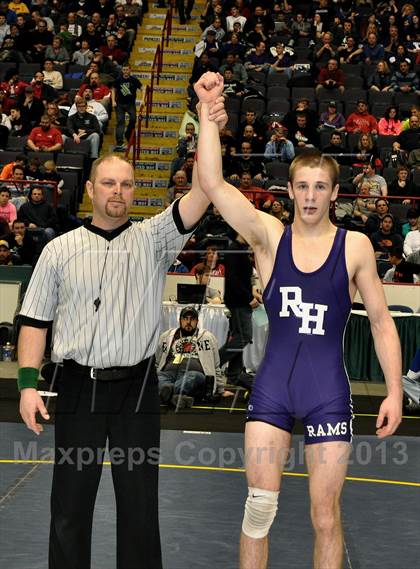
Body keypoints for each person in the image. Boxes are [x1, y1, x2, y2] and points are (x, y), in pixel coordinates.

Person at [194, 71, 402, 569]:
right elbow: (213, 183)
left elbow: (380, 320)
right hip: (273, 389)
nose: (310, 196)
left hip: (328, 391)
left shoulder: (354, 246)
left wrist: (394, 390)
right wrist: (206, 115)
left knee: (325, 515)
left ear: (334, 193)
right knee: (259, 509)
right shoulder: (269, 237)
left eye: (320, 188)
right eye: (302, 187)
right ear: (289, 190)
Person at [17, 90, 227, 569]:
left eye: (126, 184)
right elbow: (33, 323)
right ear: (91, 189)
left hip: (136, 389)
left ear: (136, 191)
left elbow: (202, 191)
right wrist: (29, 387)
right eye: (108, 183)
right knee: (69, 505)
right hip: (76, 389)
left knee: (139, 507)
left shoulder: (155, 239)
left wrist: (209, 123)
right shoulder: (58, 250)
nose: (117, 191)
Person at [156, 305, 224, 407]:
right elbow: (158, 361)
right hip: (169, 374)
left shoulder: (207, 337)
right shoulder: (166, 336)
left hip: (194, 375)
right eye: (185, 319)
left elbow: (216, 365)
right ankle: (176, 398)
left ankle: (167, 393)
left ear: (197, 321)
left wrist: (220, 389)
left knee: (193, 376)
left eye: (192, 319)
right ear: (180, 320)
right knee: (157, 377)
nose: (188, 322)